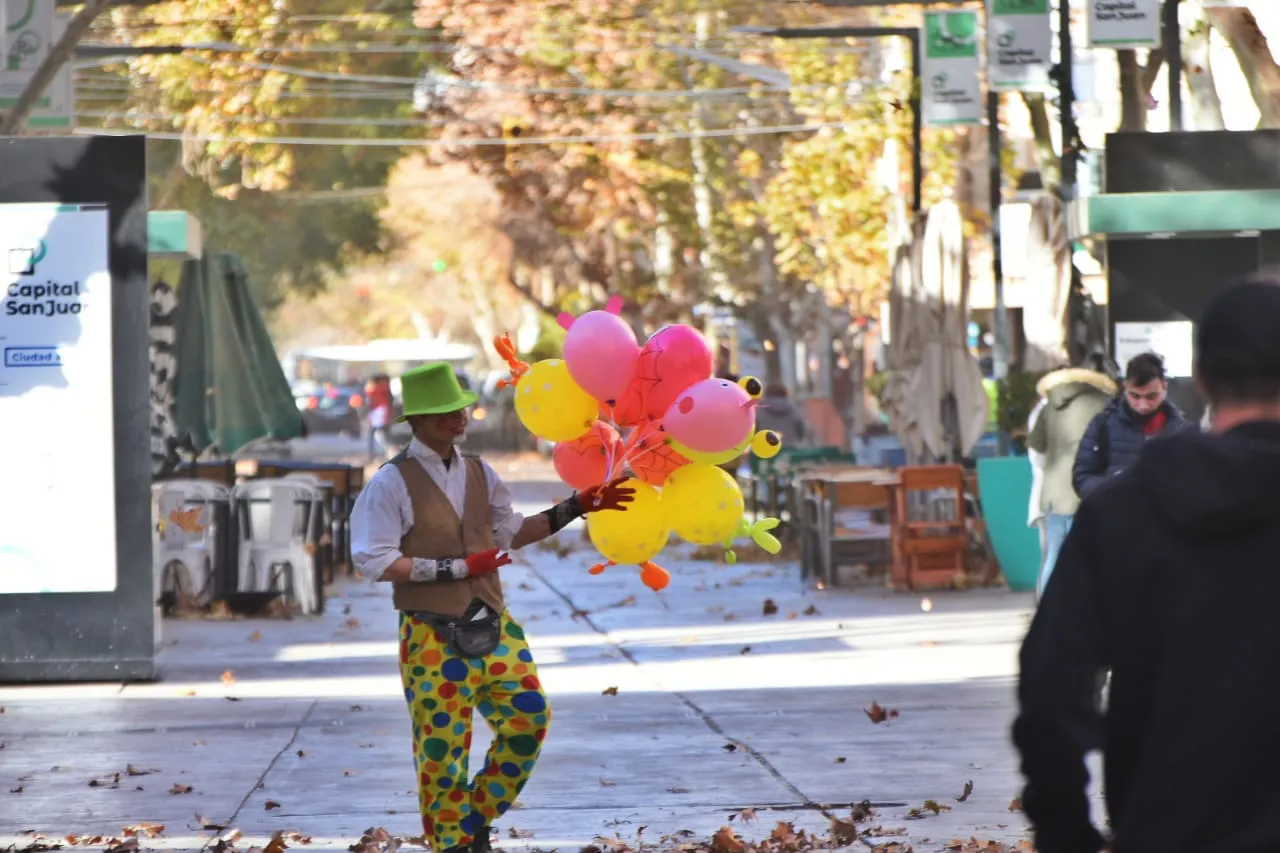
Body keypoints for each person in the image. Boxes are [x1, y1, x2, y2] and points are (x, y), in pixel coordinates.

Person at [1013, 274, 1280, 852]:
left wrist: (1064, 833)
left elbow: (1052, 684)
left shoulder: (1125, 514)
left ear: (1201, 379)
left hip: (1166, 826)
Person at [350, 362, 634, 853]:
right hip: (431, 635)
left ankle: (472, 818)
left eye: (459, 408)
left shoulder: (480, 471)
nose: (458, 418)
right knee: (442, 753)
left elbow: (511, 531)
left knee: (530, 719)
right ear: (417, 421)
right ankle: (454, 843)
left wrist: (577, 506)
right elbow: (374, 560)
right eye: (445, 412)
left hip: (492, 624)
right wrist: (457, 568)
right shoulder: (391, 482)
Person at [1027, 366, 1117, 597]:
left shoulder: (1049, 406)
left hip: (1055, 494)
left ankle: (1046, 608)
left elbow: (1036, 449)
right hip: (1091, 491)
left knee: (1054, 556)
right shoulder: (1106, 404)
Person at [1071, 351, 1190, 499]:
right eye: (1135, 396)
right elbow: (1082, 478)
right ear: (1125, 387)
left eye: (1151, 396)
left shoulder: (1182, 431)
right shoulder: (1103, 425)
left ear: (1164, 387)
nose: (1143, 405)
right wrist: (1115, 487)